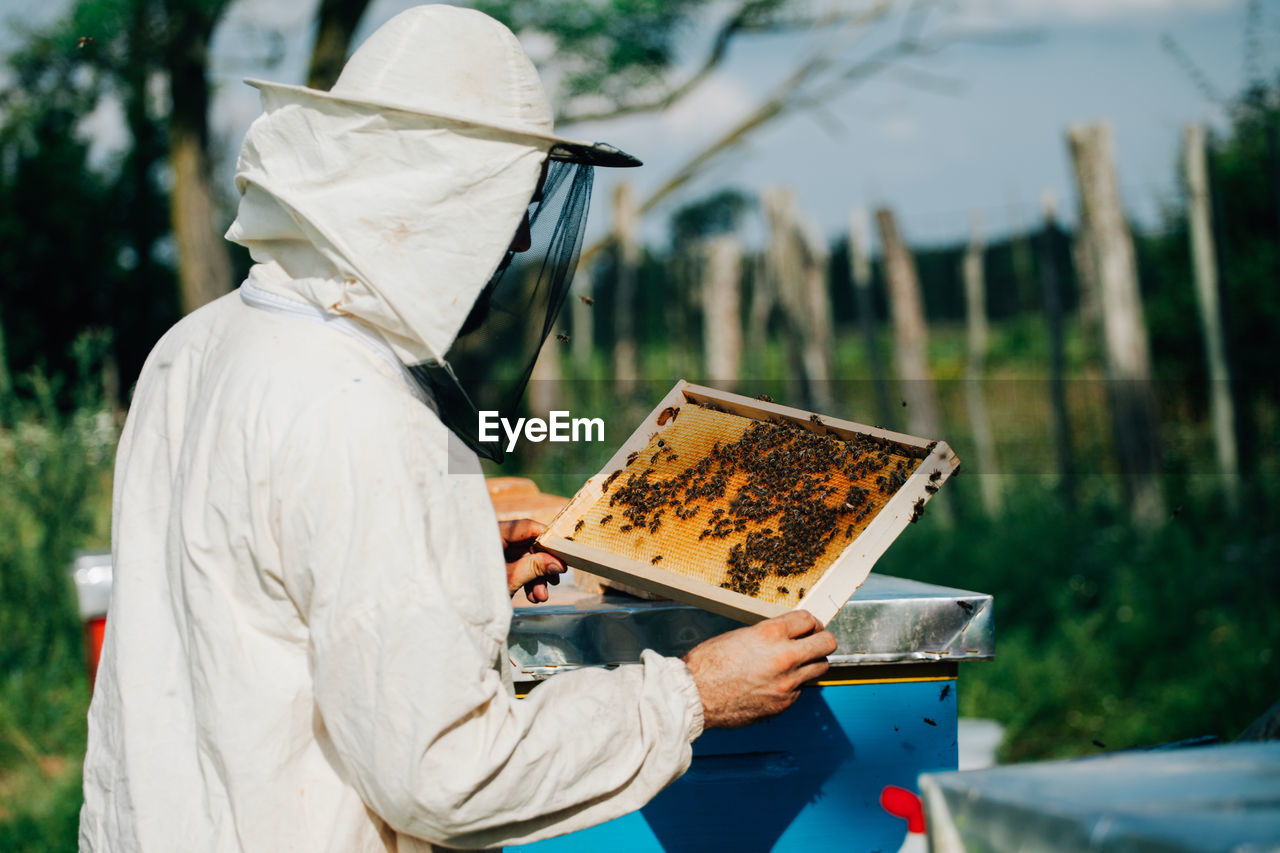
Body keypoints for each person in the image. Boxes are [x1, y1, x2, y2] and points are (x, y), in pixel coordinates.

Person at [79, 6, 837, 851]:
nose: (518, 237)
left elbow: (258, 578)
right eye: (508, 204)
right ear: (437, 200)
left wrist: (454, 559)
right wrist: (691, 694)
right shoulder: (360, 410)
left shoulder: (195, 346)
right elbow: (443, 775)